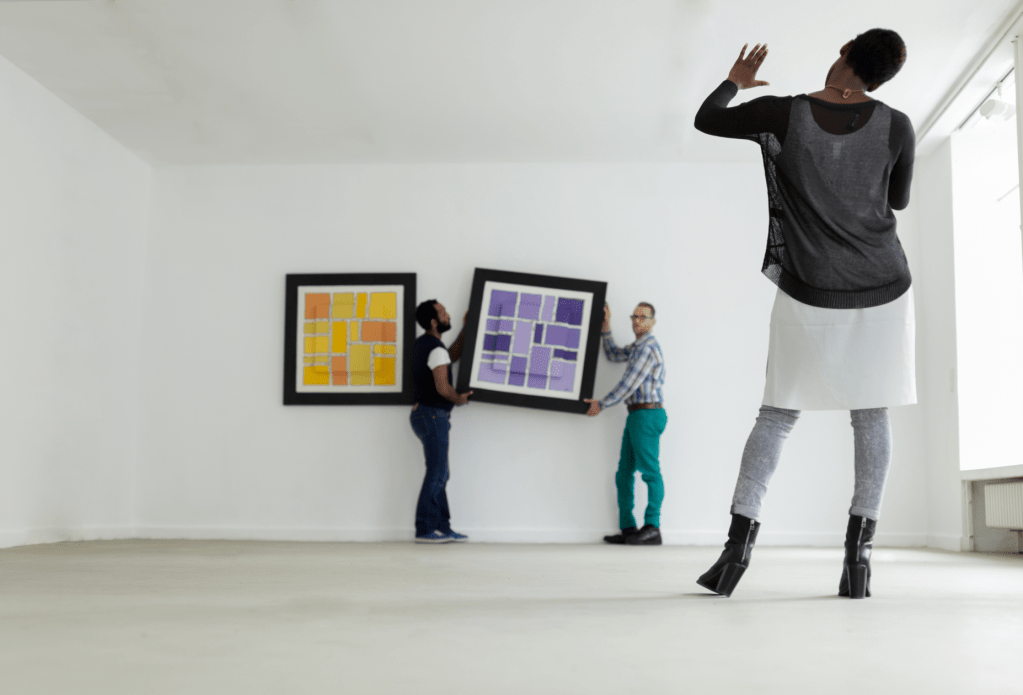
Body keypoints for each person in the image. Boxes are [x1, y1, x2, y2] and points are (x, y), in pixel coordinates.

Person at [692, 29, 914, 598]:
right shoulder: (897, 125)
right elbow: (897, 200)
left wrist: (735, 82)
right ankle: (858, 560)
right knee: (871, 416)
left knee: (776, 413)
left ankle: (736, 551)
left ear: (842, 54)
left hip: (808, 281)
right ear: (882, 77)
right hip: (884, 283)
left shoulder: (781, 112)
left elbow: (708, 118)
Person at [585, 302, 667, 546]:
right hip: (636, 415)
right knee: (624, 473)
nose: (637, 321)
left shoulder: (647, 348)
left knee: (650, 472)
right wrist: (606, 327)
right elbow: (613, 354)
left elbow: (629, 383)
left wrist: (602, 403)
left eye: (643, 317)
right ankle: (628, 528)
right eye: (634, 317)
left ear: (653, 322)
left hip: (647, 415)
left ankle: (653, 527)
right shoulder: (637, 347)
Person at [410, 299, 472, 544]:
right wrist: (460, 399)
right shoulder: (435, 349)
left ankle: (443, 528)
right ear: (434, 321)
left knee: (440, 473)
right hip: (433, 414)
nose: (448, 315)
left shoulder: (426, 345)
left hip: (426, 414)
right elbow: (443, 387)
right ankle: (424, 529)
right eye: (444, 313)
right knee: (437, 473)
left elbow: (450, 355)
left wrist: (467, 329)